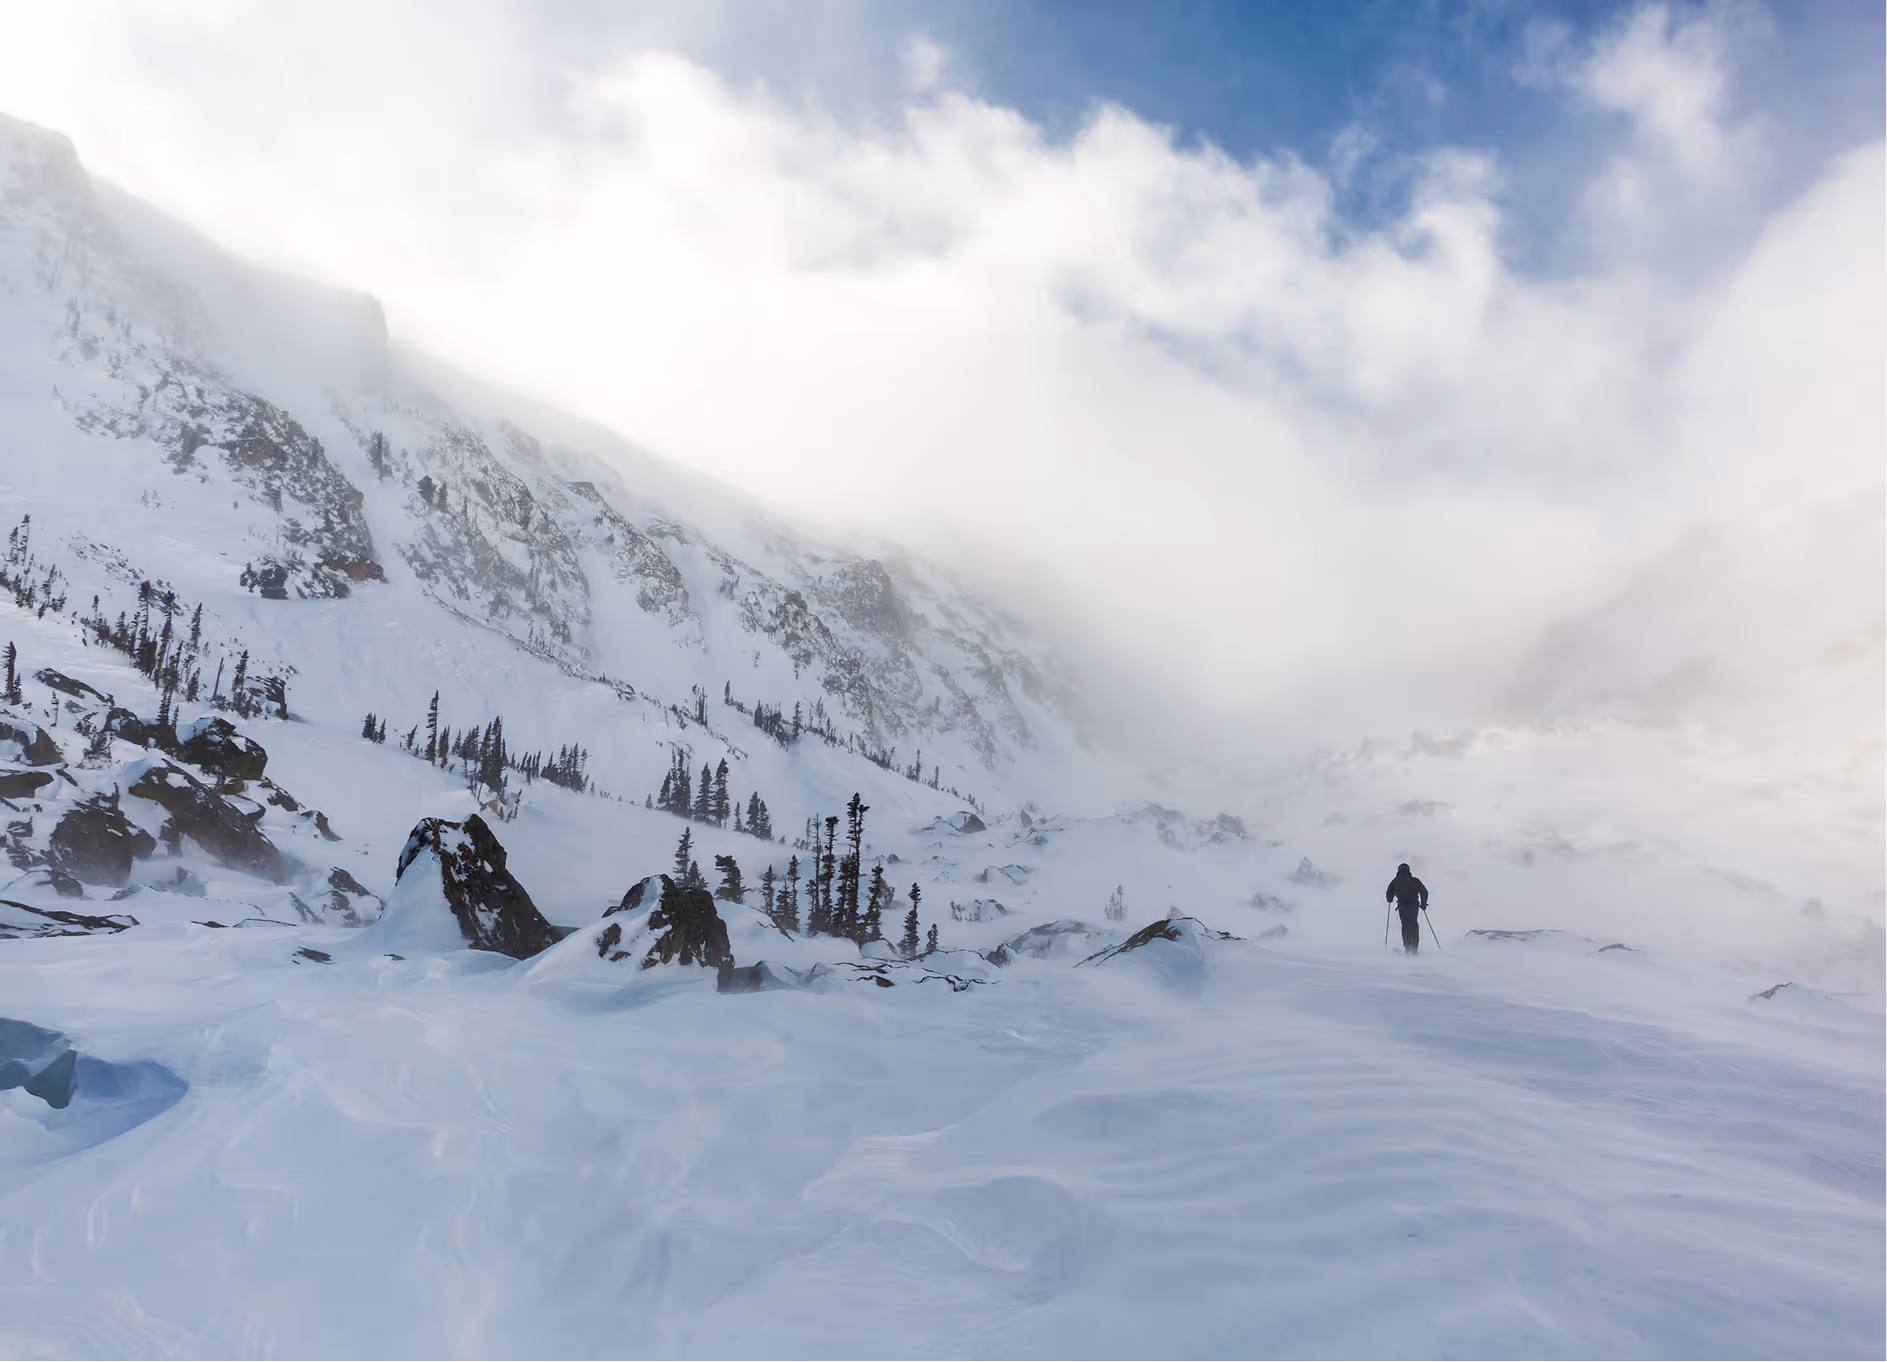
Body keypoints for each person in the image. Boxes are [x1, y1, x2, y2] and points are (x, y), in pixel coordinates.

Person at [1385, 863, 1428, 954]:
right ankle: (1414, 948)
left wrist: (1389, 899)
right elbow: (1424, 892)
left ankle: (1408, 947)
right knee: (1414, 925)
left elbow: (1389, 893)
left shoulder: (1395, 881)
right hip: (1414, 906)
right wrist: (1423, 905)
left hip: (1402, 907)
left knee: (1405, 926)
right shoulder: (1415, 880)